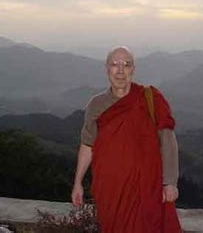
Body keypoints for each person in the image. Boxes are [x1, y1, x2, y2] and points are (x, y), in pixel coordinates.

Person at [71, 46, 182, 233]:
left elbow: (168, 142)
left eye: (126, 65)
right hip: (109, 189)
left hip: (145, 188)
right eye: (115, 64)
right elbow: (87, 145)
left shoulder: (150, 99)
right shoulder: (96, 105)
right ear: (107, 68)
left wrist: (170, 182)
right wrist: (77, 183)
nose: (120, 71)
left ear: (133, 69)